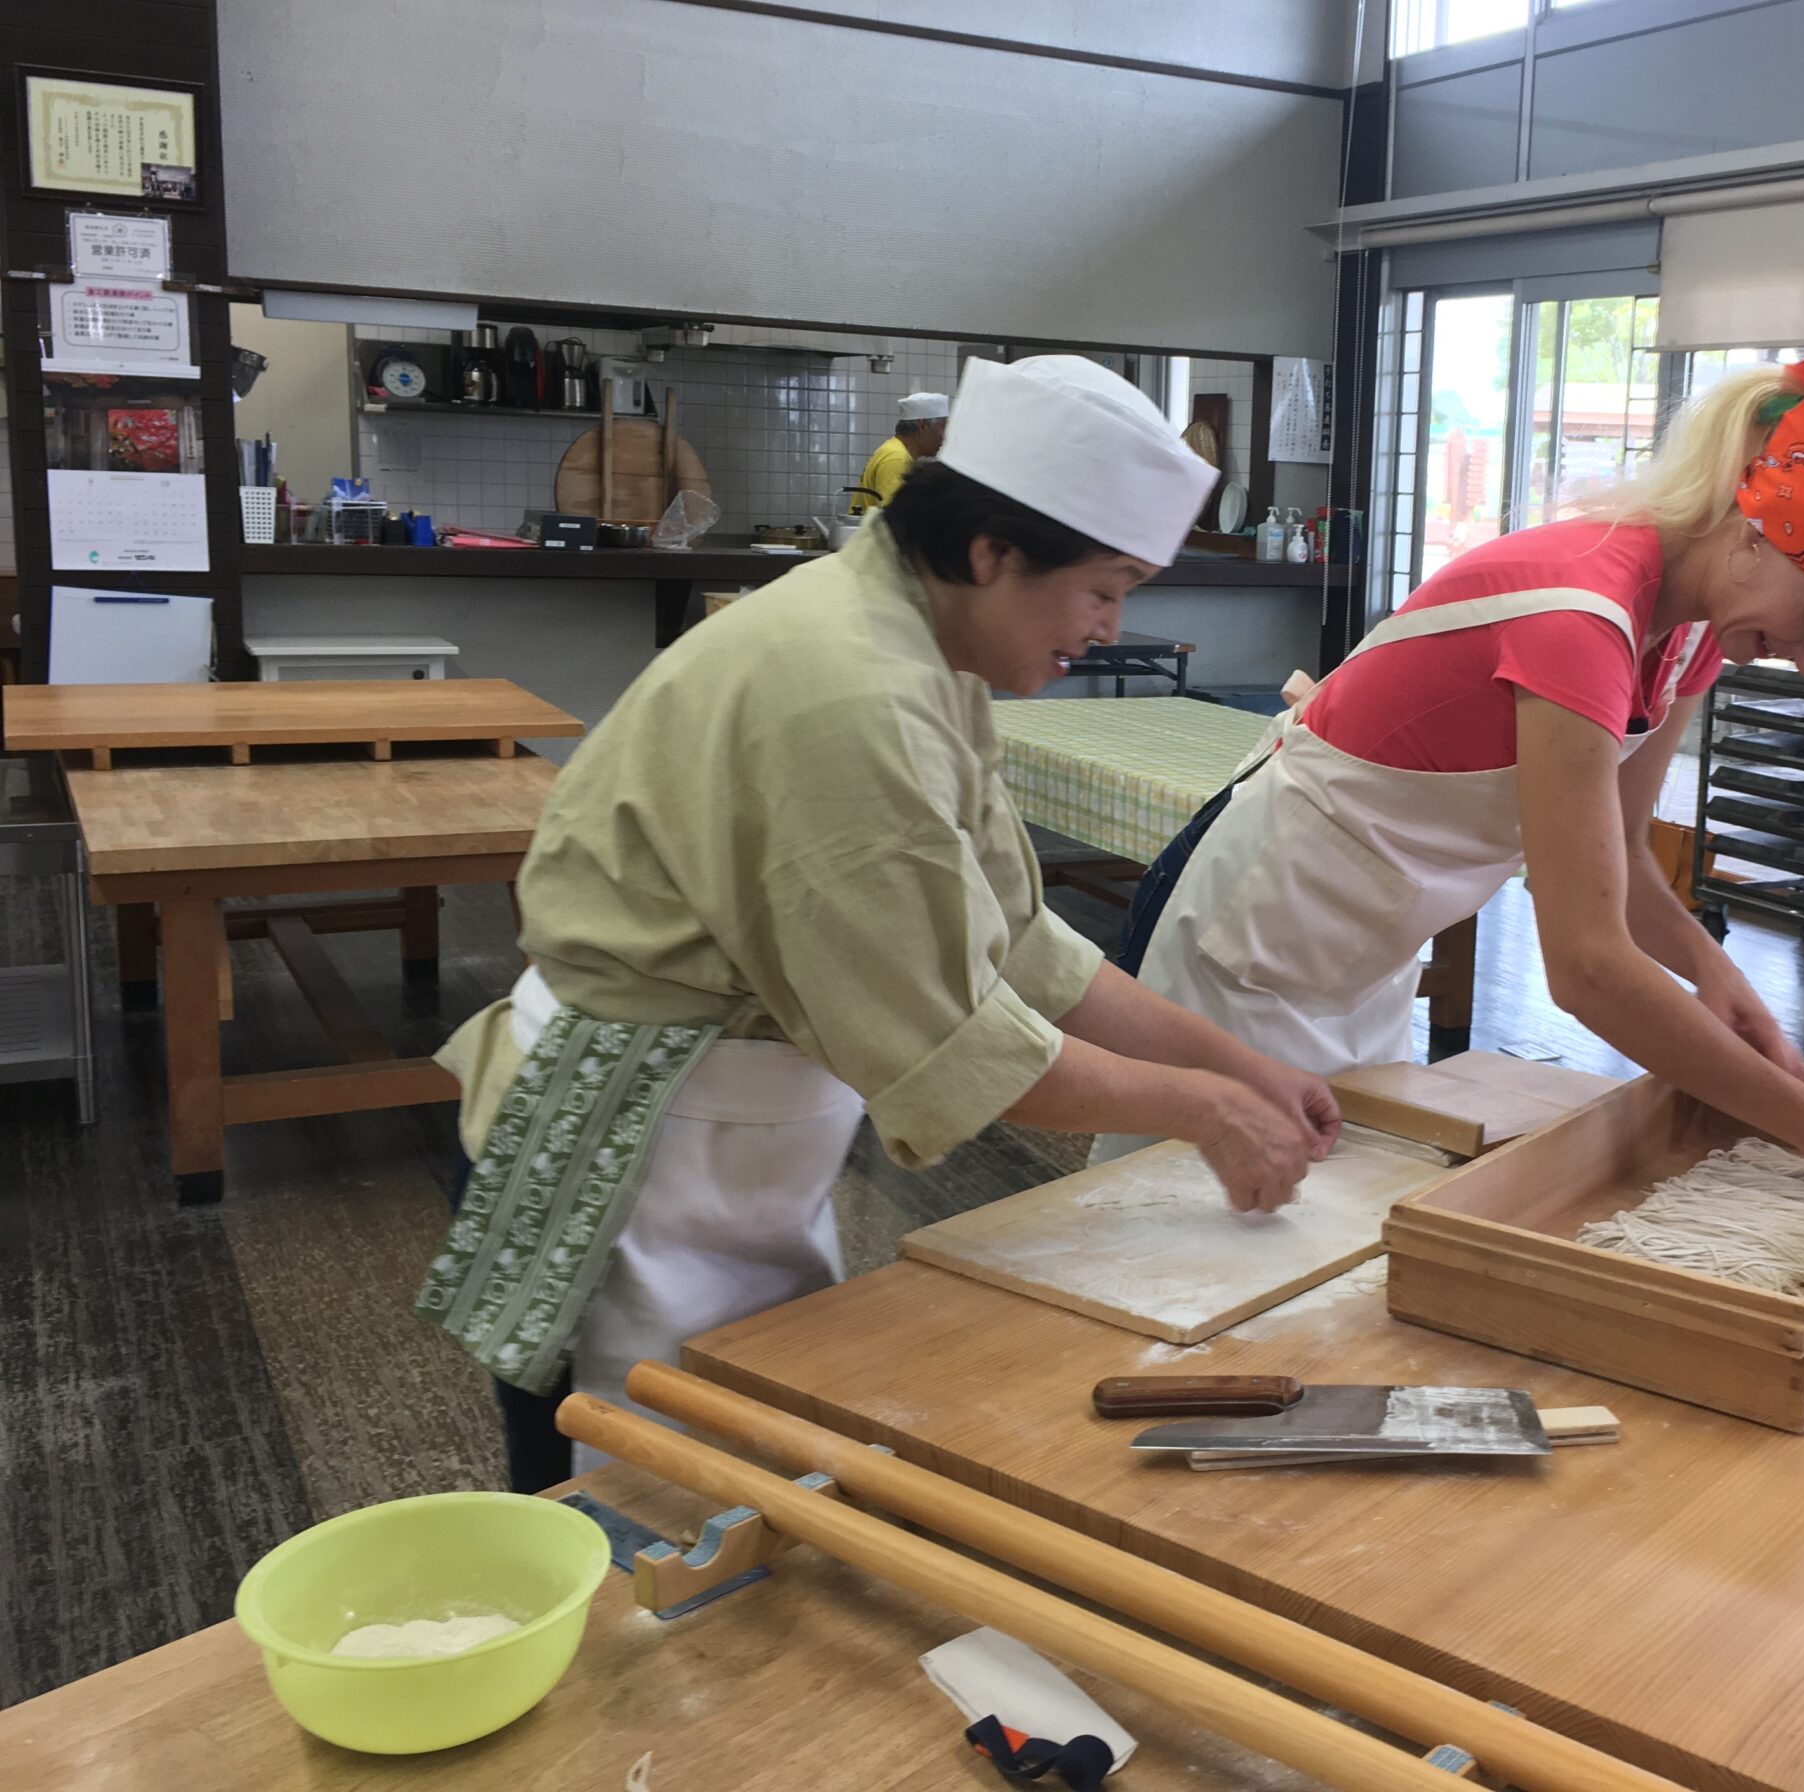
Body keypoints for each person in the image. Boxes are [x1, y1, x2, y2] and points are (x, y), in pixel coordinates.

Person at [417, 356, 1340, 1491]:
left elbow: (1020, 941)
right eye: (1106, 589)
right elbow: (959, 1051)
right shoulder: (850, 691)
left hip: (719, 1131)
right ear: (992, 553)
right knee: (633, 1500)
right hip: (631, 1149)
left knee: (730, 1478)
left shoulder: (918, 640)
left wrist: (1238, 1065)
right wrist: (1204, 1110)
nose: (1112, 627)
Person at [1113, 344, 1804, 1200]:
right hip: (1257, 939)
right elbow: (1586, 965)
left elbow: (1625, 855)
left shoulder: (1690, 637)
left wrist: (1715, 973)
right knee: (1177, 1215)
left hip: (1363, 951)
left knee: (1315, 1214)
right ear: (1758, 531)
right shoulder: (1577, 616)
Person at [851, 389, 949, 509]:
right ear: (922, 426)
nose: (944, 437)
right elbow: (892, 515)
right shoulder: (897, 458)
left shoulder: (895, 450)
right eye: (942, 427)